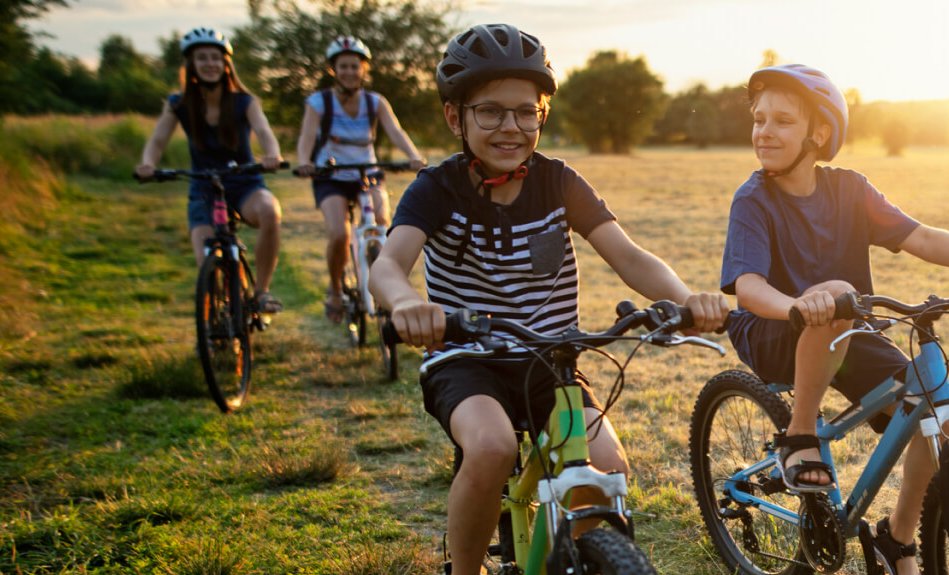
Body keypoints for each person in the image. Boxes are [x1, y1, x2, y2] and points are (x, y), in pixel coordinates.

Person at [366, 23, 730, 575]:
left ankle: (591, 559)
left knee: (605, 464)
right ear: (454, 117)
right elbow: (388, 266)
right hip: (466, 360)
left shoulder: (559, 182)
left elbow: (628, 257)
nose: (510, 126)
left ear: (542, 115)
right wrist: (406, 304)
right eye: (490, 111)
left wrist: (687, 300)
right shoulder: (436, 188)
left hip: (550, 360)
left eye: (525, 111)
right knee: (490, 448)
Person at [719, 64, 949, 575]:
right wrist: (797, 307)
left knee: (936, 417)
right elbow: (748, 287)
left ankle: (897, 540)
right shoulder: (754, 198)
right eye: (759, 119)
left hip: (847, 331)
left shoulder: (849, 189)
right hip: (775, 329)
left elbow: (924, 237)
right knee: (838, 295)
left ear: (818, 134)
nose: (764, 131)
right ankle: (800, 436)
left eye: (781, 120)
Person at [137, 28, 287, 314]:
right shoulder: (178, 104)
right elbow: (157, 140)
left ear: (226, 64)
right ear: (191, 65)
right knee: (208, 261)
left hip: (244, 183)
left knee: (270, 211)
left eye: (216, 58)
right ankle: (211, 331)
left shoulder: (245, 101)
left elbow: (264, 131)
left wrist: (272, 155)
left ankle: (261, 293)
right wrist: (148, 164)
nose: (210, 64)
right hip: (204, 188)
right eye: (202, 58)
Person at [295, 36, 427, 323]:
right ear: (334, 70)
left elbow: (396, 131)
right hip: (331, 176)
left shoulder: (375, 102)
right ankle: (333, 290)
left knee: (383, 226)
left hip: (367, 173)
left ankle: (384, 285)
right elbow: (306, 136)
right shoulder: (319, 102)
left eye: (355, 66)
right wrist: (304, 161)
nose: (349, 72)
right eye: (343, 66)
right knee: (340, 233)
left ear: (364, 69)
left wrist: (413, 156)